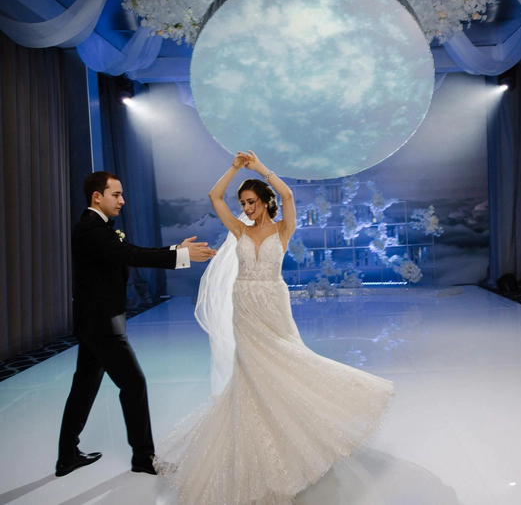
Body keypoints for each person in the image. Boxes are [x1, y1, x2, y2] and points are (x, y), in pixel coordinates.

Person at [154, 151, 394, 504]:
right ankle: (261, 448)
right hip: (244, 306)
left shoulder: (283, 229)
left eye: (251, 201)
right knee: (252, 373)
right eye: (243, 203)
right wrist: (234, 168)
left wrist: (260, 169)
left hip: (273, 304)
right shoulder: (239, 229)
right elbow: (214, 197)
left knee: (287, 361)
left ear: (265, 201)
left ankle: (300, 434)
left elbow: (289, 195)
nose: (246, 208)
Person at [55, 171, 216, 478]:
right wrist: (181, 255)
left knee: (84, 387)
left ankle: (66, 456)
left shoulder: (97, 226)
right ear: (97, 197)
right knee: (133, 384)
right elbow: (132, 254)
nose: (122, 201)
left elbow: (129, 252)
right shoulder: (91, 228)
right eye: (116, 194)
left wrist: (175, 249)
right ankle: (143, 457)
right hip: (102, 323)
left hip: (96, 321)